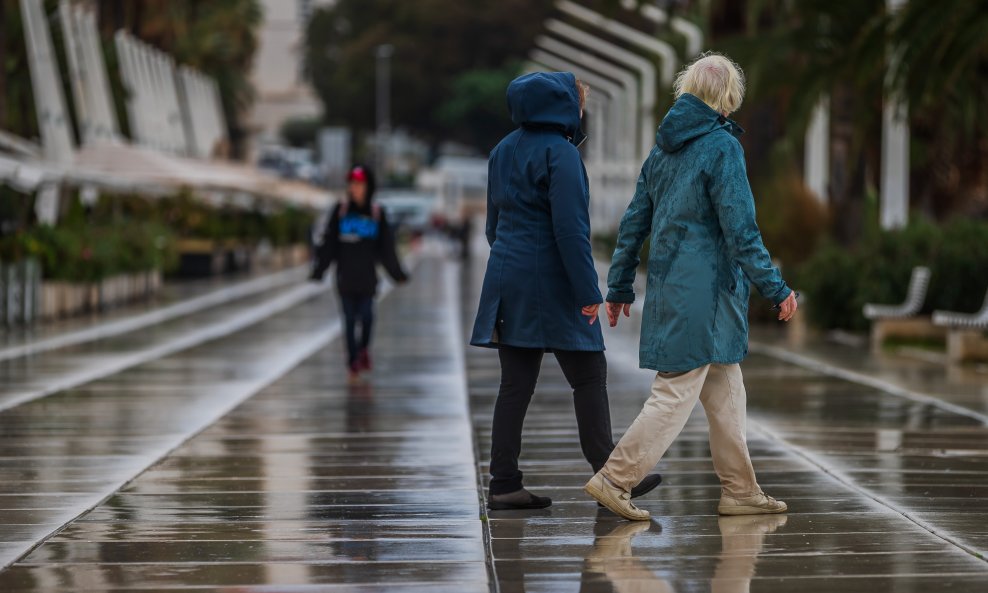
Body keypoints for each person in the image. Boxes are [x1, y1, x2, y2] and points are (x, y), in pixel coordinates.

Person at [583, 53, 798, 520]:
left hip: (674, 289)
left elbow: (632, 223)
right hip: (707, 295)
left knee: (725, 390)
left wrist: (619, 287)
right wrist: (776, 288)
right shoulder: (722, 148)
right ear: (728, 97)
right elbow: (741, 230)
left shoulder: (662, 151)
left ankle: (740, 490)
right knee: (675, 393)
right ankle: (615, 479)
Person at [471, 72, 661, 510]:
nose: (582, 110)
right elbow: (571, 231)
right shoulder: (562, 155)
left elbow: (492, 227)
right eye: (580, 102)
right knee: (590, 374)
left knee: (514, 385)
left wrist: (511, 263)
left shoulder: (501, 150)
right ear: (562, 106)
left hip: (506, 277)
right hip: (552, 282)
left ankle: (504, 484)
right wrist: (587, 290)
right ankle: (611, 476)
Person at [311, 164, 409, 383]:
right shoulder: (340, 211)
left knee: (366, 317)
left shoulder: (377, 213)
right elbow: (329, 244)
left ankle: (364, 349)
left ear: (368, 186)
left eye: (359, 184)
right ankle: (353, 362)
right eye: (352, 184)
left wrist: (397, 274)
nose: (355, 188)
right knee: (348, 320)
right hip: (345, 279)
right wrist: (319, 270)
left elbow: (387, 248)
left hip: (367, 279)